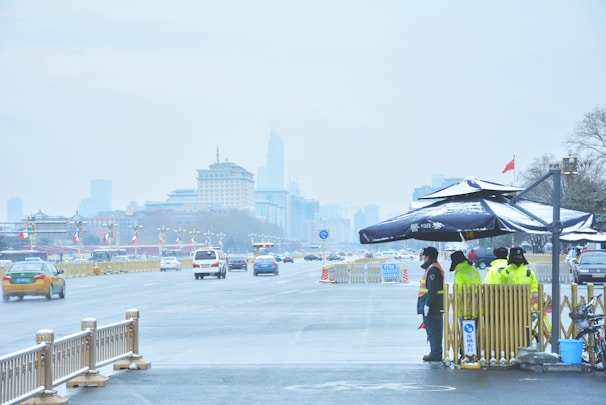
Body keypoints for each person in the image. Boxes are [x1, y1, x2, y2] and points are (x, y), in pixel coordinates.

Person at [417, 246, 444, 362]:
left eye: (424, 257)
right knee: (432, 330)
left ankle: (436, 353)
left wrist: (427, 305)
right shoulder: (432, 268)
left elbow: (432, 290)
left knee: (434, 331)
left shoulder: (433, 269)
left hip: (433, 306)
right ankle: (434, 352)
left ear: (427, 257)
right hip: (432, 305)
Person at [450, 250, 482, 318]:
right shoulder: (475, 270)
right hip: (477, 306)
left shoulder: (460, 273)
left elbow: (458, 290)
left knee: (465, 328)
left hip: (464, 308)